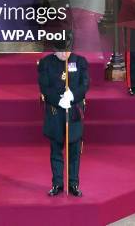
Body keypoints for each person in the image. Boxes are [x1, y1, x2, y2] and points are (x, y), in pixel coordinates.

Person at [38, 33, 89, 197]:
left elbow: (85, 84)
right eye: (61, 52)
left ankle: (73, 183)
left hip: (73, 112)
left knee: (74, 152)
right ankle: (57, 183)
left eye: (67, 51)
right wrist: (58, 100)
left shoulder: (80, 62)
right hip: (55, 112)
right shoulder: (45, 63)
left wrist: (72, 96)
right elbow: (44, 87)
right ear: (54, 50)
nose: (65, 55)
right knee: (56, 151)